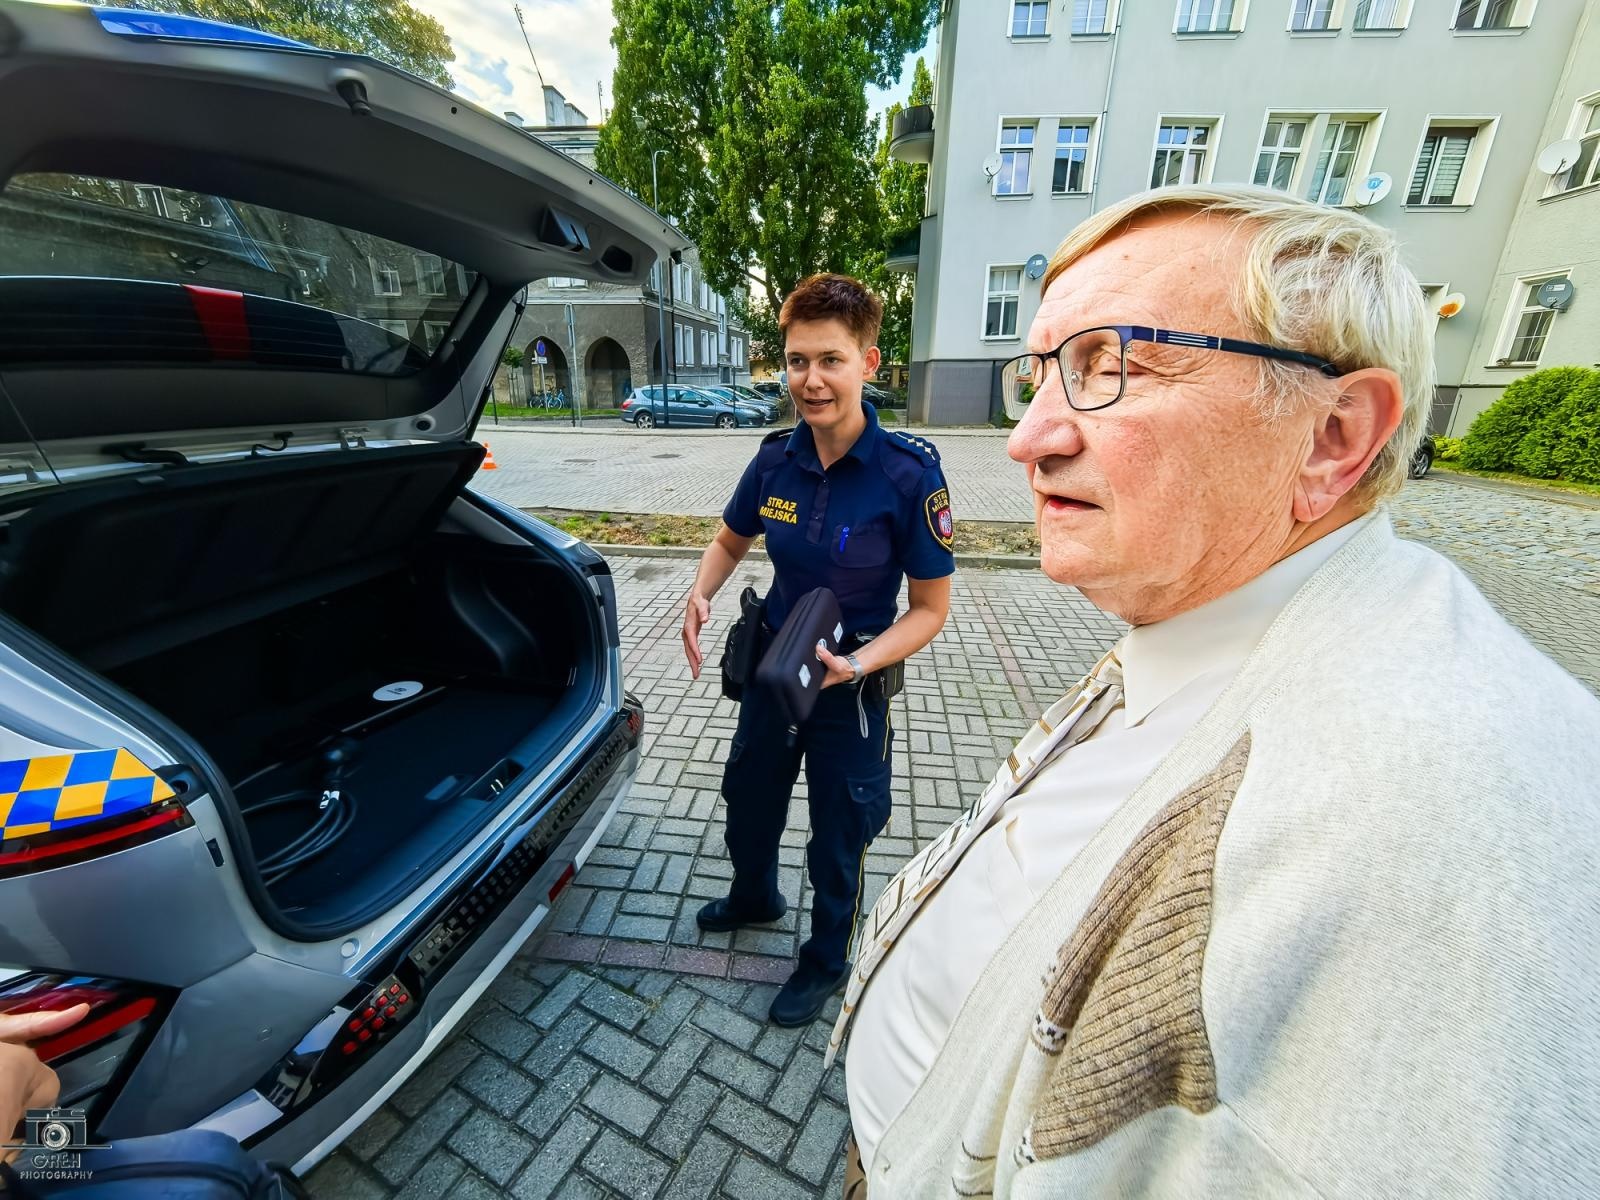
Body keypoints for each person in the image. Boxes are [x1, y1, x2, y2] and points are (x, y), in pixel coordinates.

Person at [829, 186, 1600, 1197]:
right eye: (1042, 374)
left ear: (1333, 436)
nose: (1029, 439)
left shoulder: (1436, 811)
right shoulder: (1225, 613)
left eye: (1111, 366)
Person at [681, 273, 954, 1027]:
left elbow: (930, 610)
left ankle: (826, 961)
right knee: (748, 795)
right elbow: (730, 537)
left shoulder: (909, 475)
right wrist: (703, 590)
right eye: (797, 361)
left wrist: (860, 665)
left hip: (852, 681)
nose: (811, 379)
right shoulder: (774, 460)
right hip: (777, 665)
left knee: (840, 828)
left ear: (868, 362)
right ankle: (754, 896)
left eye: (830, 360)